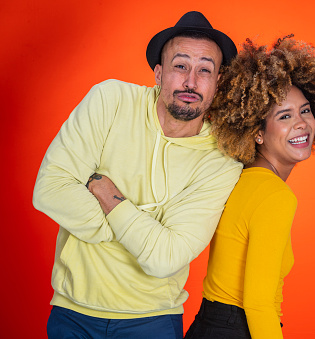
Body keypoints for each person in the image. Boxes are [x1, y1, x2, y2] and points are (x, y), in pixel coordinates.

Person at [33, 11, 243, 338]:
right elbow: (49, 190)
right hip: (72, 313)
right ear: (158, 73)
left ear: (218, 83)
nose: (191, 81)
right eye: (180, 65)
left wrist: (107, 196)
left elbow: (164, 259)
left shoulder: (222, 159)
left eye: (205, 70)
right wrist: (144, 229)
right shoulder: (110, 100)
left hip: (153, 321)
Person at [184, 35, 315, 339]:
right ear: (257, 133)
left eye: (305, 110)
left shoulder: (239, 179)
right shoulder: (275, 196)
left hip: (204, 326)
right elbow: (257, 302)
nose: (301, 123)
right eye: (284, 116)